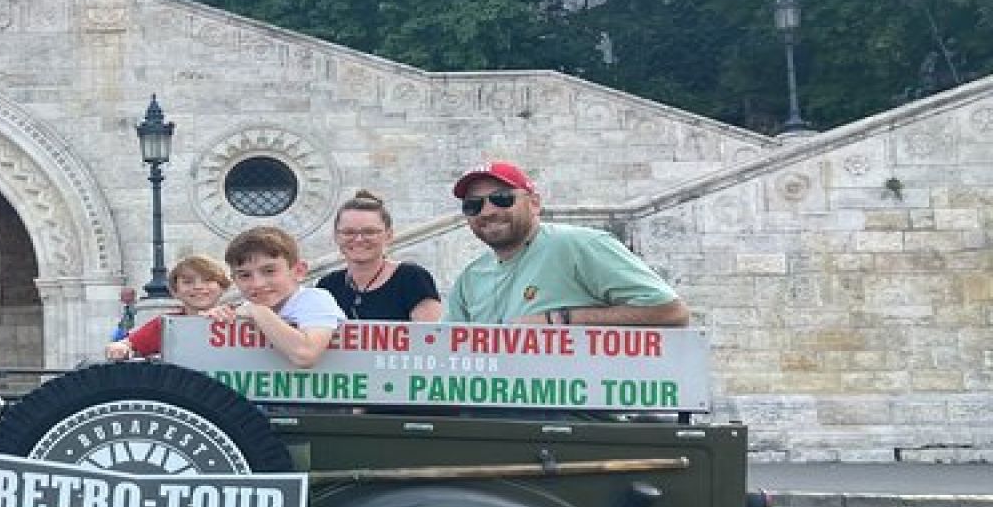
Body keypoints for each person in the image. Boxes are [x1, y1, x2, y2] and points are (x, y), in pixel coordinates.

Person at [444, 161, 691, 327]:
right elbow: (446, 346)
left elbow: (671, 312)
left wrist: (559, 319)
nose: (487, 212)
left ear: (534, 203)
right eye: (473, 205)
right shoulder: (470, 277)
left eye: (501, 198)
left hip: (581, 406)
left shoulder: (579, 245)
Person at [208, 226, 346, 369]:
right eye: (245, 275)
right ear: (234, 280)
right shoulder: (245, 308)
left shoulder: (315, 299)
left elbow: (305, 355)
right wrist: (212, 321)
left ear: (299, 271)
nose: (258, 284)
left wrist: (258, 311)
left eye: (269, 271)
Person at [317, 190, 442, 321]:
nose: (359, 239)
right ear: (336, 236)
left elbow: (431, 336)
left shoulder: (412, 279)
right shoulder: (327, 286)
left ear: (389, 235)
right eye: (349, 232)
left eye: (369, 232)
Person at [105, 255, 230, 361]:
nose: (198, 286)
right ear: (175, 291)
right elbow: (128, 344)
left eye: (208, 280)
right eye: (188, 282)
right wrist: (120, 348)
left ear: (223, 287)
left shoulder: (237, 317)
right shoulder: (165, 324)